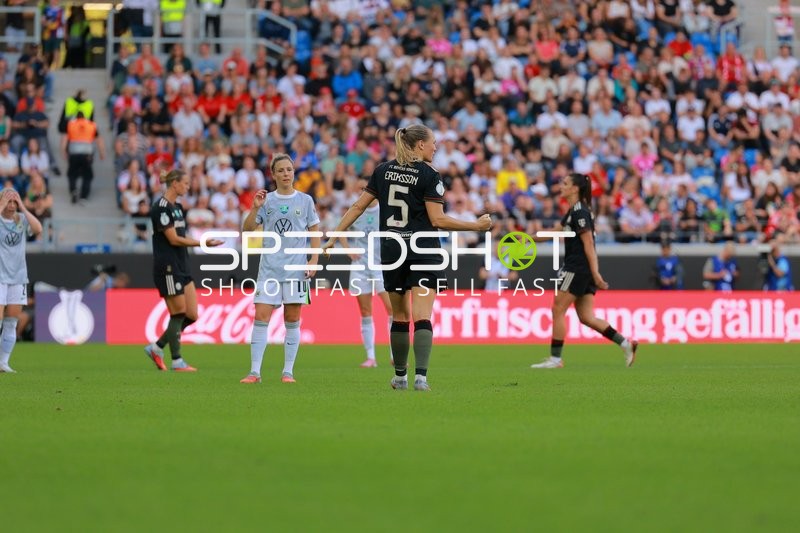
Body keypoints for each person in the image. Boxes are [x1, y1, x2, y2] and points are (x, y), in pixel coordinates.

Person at [323, 124, 493, 391]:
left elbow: (357, 207)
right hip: (423, 249)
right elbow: (437, 220)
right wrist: (476, 226)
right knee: (422, 316)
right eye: (433, 142)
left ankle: (400, 377)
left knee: (400, 316)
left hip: (393, 251)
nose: (435, 147)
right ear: (420, 145)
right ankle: (421, 378)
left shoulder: (382, 170)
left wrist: (334, 235)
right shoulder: (429, 175)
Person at [531, 173, 638, 369]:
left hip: (577, 268)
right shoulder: (574, 210)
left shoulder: (580, 212)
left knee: (557, 309)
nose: (561, 186)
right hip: (583, 269)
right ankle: (625, 344)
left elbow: (588, 243)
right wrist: (528, 238)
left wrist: (595, 273)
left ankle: (555, 359)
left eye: (565, 183)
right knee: (587, 317)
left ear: (574, 189)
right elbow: (555, 231)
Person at [240, 154, 321, 384]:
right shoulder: (266, 201)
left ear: (293, 172)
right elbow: (247, 229)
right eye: (281, 170)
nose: (286, 173)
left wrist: (314, 259)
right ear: (273, 175)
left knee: (292, 318)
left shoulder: (305, 200)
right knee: (261, 317)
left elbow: (314, 231)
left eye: (289, 169)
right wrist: (254, 208)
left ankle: (288, 372)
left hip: (296, 269)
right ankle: (254, 372)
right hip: (269, 269)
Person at [144, 169, 223, 372]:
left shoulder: (178, 208)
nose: (188, 187)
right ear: (174, 183)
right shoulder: (160, 208)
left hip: (182, 264)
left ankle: (157, 347)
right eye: (186, 183)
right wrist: (202, 243)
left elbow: (182, 234)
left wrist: (201, 241)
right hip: (168, 266)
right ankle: (177, 360)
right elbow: (173, 239)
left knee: (192, 314)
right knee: (178, 312)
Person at [338, 175, 394, 368]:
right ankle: (371, 357)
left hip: (381, 267)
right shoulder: (355, 210)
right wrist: (348, 250)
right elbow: (340, 230)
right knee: (365, 311)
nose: (363, 192)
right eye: (360, 189)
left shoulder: (385, 210)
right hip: (360, 267)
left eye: (366, 188)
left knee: (391, 310)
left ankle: (394, 353)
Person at [0, 188, 43, 373]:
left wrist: (24, 208)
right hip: (0, 276)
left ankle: (3, 362)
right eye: (7, 201)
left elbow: (38, 229)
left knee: (11, 321)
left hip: (18, 277)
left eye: (13, 202)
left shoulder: (21, 219)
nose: (11, 205)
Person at [61, 111, 105, 204]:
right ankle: (84, 196)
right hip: (87, 154)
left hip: (74, 153)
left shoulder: (71, 124)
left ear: (76, 117)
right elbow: (99, 140)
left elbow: (65, 139)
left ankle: (73, 190)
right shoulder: (91, 125)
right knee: (87, 175)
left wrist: (64, 151)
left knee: (72, 174)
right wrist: (102, 152)